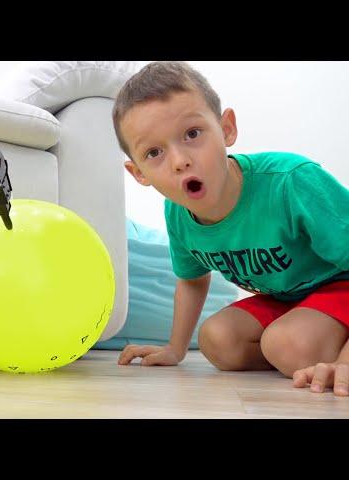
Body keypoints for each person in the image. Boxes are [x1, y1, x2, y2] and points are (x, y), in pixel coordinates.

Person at [112, 61, 349, 396]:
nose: (180, 160)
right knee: (217, 341)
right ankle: (298, 347)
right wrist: (175, 350)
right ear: (139, 174)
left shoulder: (290, 182)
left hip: (341, 284)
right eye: (154, 152)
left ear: (226, 130)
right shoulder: (178, 212)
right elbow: (192, 281)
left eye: (192, 134)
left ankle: (309, 350)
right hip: (286, 298)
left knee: (288, 345)